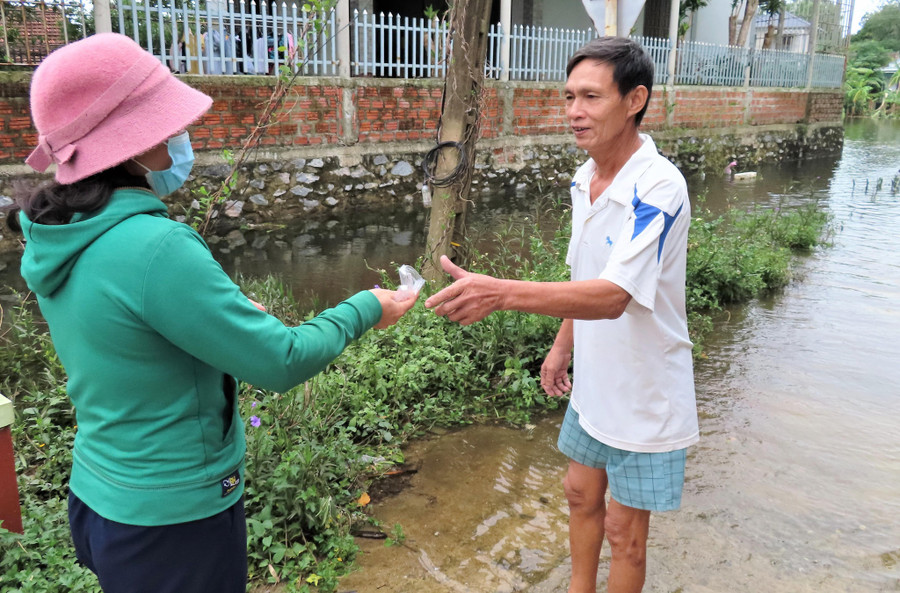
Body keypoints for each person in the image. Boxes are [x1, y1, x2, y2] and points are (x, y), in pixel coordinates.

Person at [6, 33, 416, 593]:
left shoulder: (56, 234)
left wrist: (211, 317)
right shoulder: (155, 247)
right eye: (166, 122)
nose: (178, 134)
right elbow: (280, 360)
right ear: (130, 140)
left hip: (101, 497)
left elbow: (126, 337)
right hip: (174, 519)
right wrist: (367, 306)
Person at [426, 37, 698, 593]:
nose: (574, 111)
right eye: (569, 96)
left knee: (625, 532)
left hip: (645, 392)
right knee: (578, 495)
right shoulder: (584, 180)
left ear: (634, 100)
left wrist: (501, 292)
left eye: (591, 97)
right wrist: (560, 346)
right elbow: (584, 276)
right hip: (596, 381)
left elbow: (613, 294)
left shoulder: (659, 186)